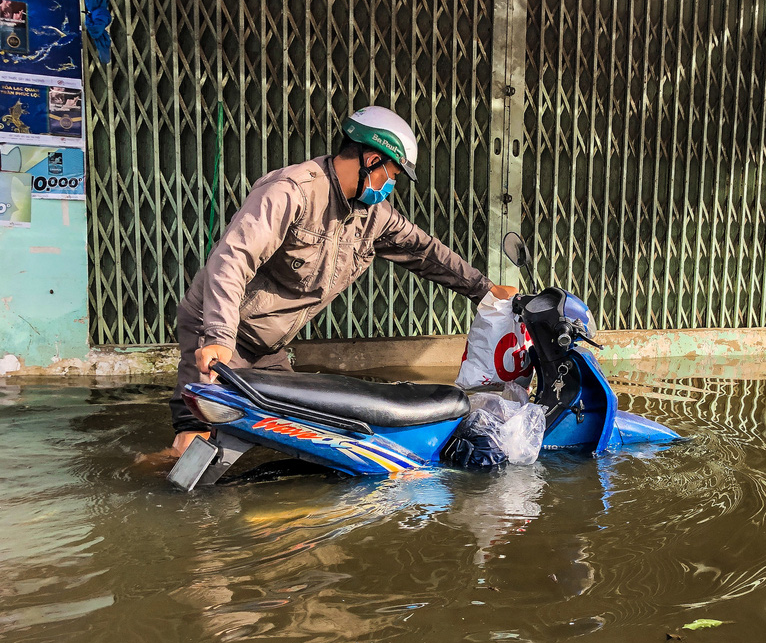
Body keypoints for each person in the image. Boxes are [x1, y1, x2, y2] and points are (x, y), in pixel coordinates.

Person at [168, 106, 516, 456]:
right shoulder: (292, 192)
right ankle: (151, 477)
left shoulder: (371, 215)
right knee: (197, 442)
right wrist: (218, 338)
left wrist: (484, 289)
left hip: (268, 346)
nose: (390, 186)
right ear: (371, 160)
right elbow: (232, 259)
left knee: (298, 436)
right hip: (219, 332)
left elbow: (424, 252)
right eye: (391, 175)